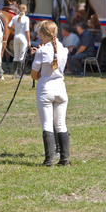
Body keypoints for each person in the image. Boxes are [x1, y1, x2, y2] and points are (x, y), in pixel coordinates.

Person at [31, 20, 71, 166]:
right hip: (60, 90)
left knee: (47, 124)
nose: (39, 37)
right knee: (61, 124)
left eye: (40, 34)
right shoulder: (63, 49)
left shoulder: (41, 51)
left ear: (43, 35)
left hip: (45, 91)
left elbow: (34, 75)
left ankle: (49, 160)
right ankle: (65, 159)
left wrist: (36, 56)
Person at [8, 4, 31, 78]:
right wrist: (29, 41)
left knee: (16, 56)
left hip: (16, 37)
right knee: (21, 56)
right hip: (23, 38)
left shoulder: (15, 17)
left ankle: (14, 73)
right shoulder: (26, 18)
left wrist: (13, 31)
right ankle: (20, 73)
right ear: (25, 10)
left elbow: (9, 26)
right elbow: (27, 31)